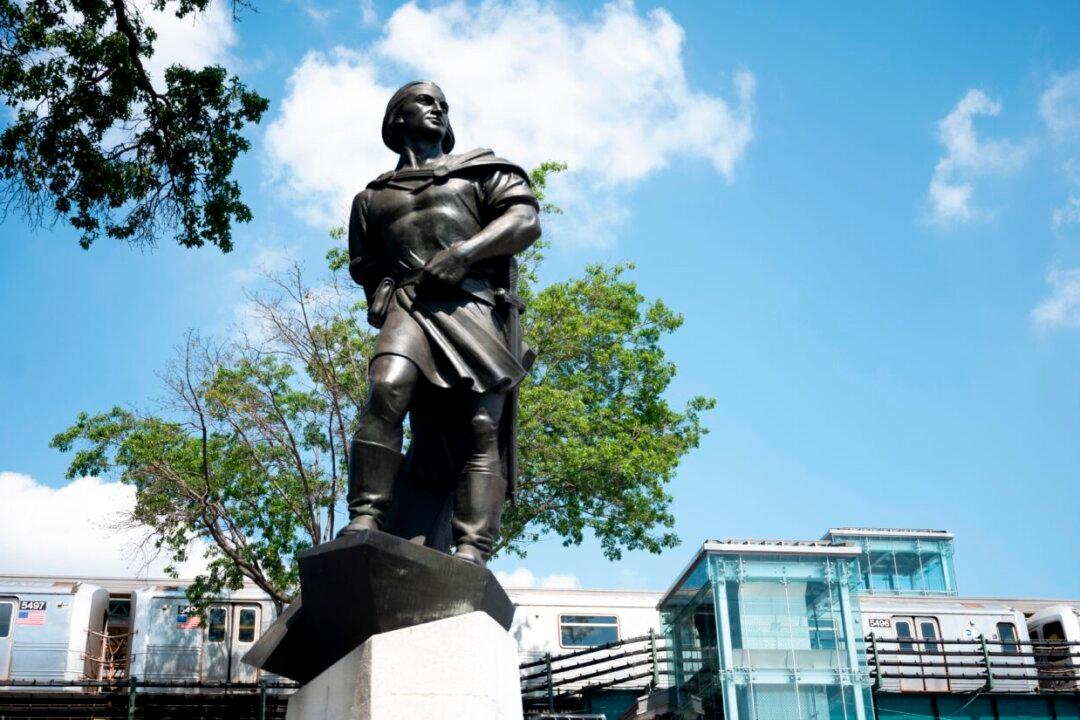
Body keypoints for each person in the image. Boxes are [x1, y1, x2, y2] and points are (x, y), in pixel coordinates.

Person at [338, 80, 541, 568]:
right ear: (397, 118)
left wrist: (465, 253)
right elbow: (365, 266)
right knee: (385, 389)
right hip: (409, 305)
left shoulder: (482, 171)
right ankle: (366, 515)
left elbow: (525, 221)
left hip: (470, 306)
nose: (439, 111)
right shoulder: (370, 199)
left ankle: (472, 545)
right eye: (426, 103)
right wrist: (383, 295)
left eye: (444, 106)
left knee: (479, 425)